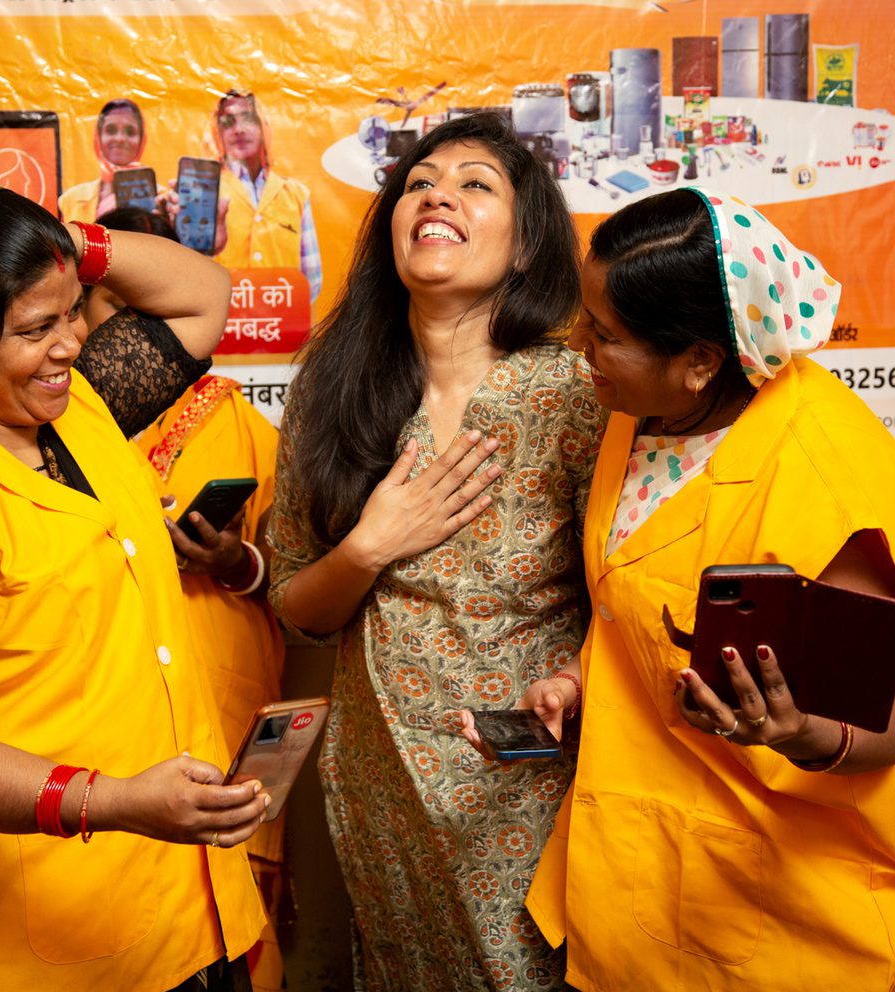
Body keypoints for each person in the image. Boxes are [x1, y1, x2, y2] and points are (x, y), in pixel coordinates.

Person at [473, 187, 895, 990]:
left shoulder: (826, 474)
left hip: (784, 917)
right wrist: (578, 681)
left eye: (603, 335)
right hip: (637, 888)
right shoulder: (645, 413)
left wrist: (797, 732)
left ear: (700, 360)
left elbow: (887, 717)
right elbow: (641, 592)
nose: (577, 347)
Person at [266, 113, 607, 991]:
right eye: (419, 182)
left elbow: (625, 597)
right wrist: (369, 548)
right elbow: (297, 608)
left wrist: (570, 685)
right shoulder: (335, 391)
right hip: (383, 785)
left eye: (474, 183)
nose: (437, 195)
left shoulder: (575, 392)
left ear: (528, 244)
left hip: (535, 782)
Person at [0, 183, 270, 991]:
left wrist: (57, 245)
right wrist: (113, 802)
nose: (69, 343)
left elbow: (206, 295)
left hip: (188, 908)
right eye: (35, 329)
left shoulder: (81, 410)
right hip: (36, 938)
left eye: (73, 312)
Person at [87, 204, 288, 992]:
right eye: (122, 311)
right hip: (96, 735)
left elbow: (302, 584)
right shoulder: (49, 427)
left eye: (158, 306)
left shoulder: (248, 427)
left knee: (232, 933)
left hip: (222, 704)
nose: (147, 330)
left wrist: (236, 561)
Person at [207, 88, 322, 303]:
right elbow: (191, 272)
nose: (238, 129)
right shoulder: (206, 189)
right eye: (227, 122)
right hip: (222, 329)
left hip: (282, 329)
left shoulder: (296, 194)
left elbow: (311, 279)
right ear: (218, 133)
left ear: (263, 126)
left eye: (248, 119)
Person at [59, 98, 152, 224]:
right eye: (111, 130)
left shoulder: (162, 199)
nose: (120, 138)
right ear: (98, 138)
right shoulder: (70, 200)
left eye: (130, 132)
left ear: (142, 140)